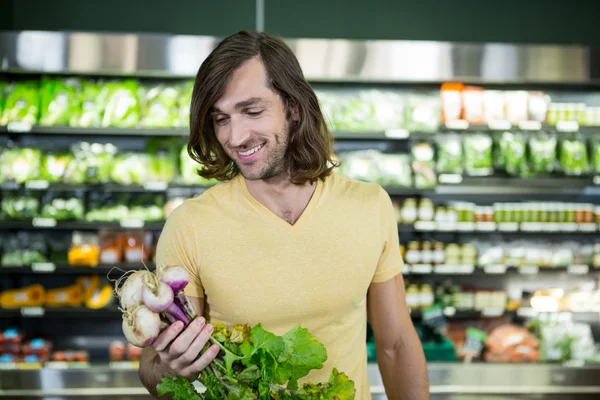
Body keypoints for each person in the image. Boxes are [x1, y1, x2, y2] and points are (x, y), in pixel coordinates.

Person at [139, 30, 430, 400]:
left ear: (293, 106)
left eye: (252, 111)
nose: (235, 135)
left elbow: (397, 344)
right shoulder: (190, 225)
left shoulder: (369, 205)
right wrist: (170, 365)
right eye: (220, 118)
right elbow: (153, 369)